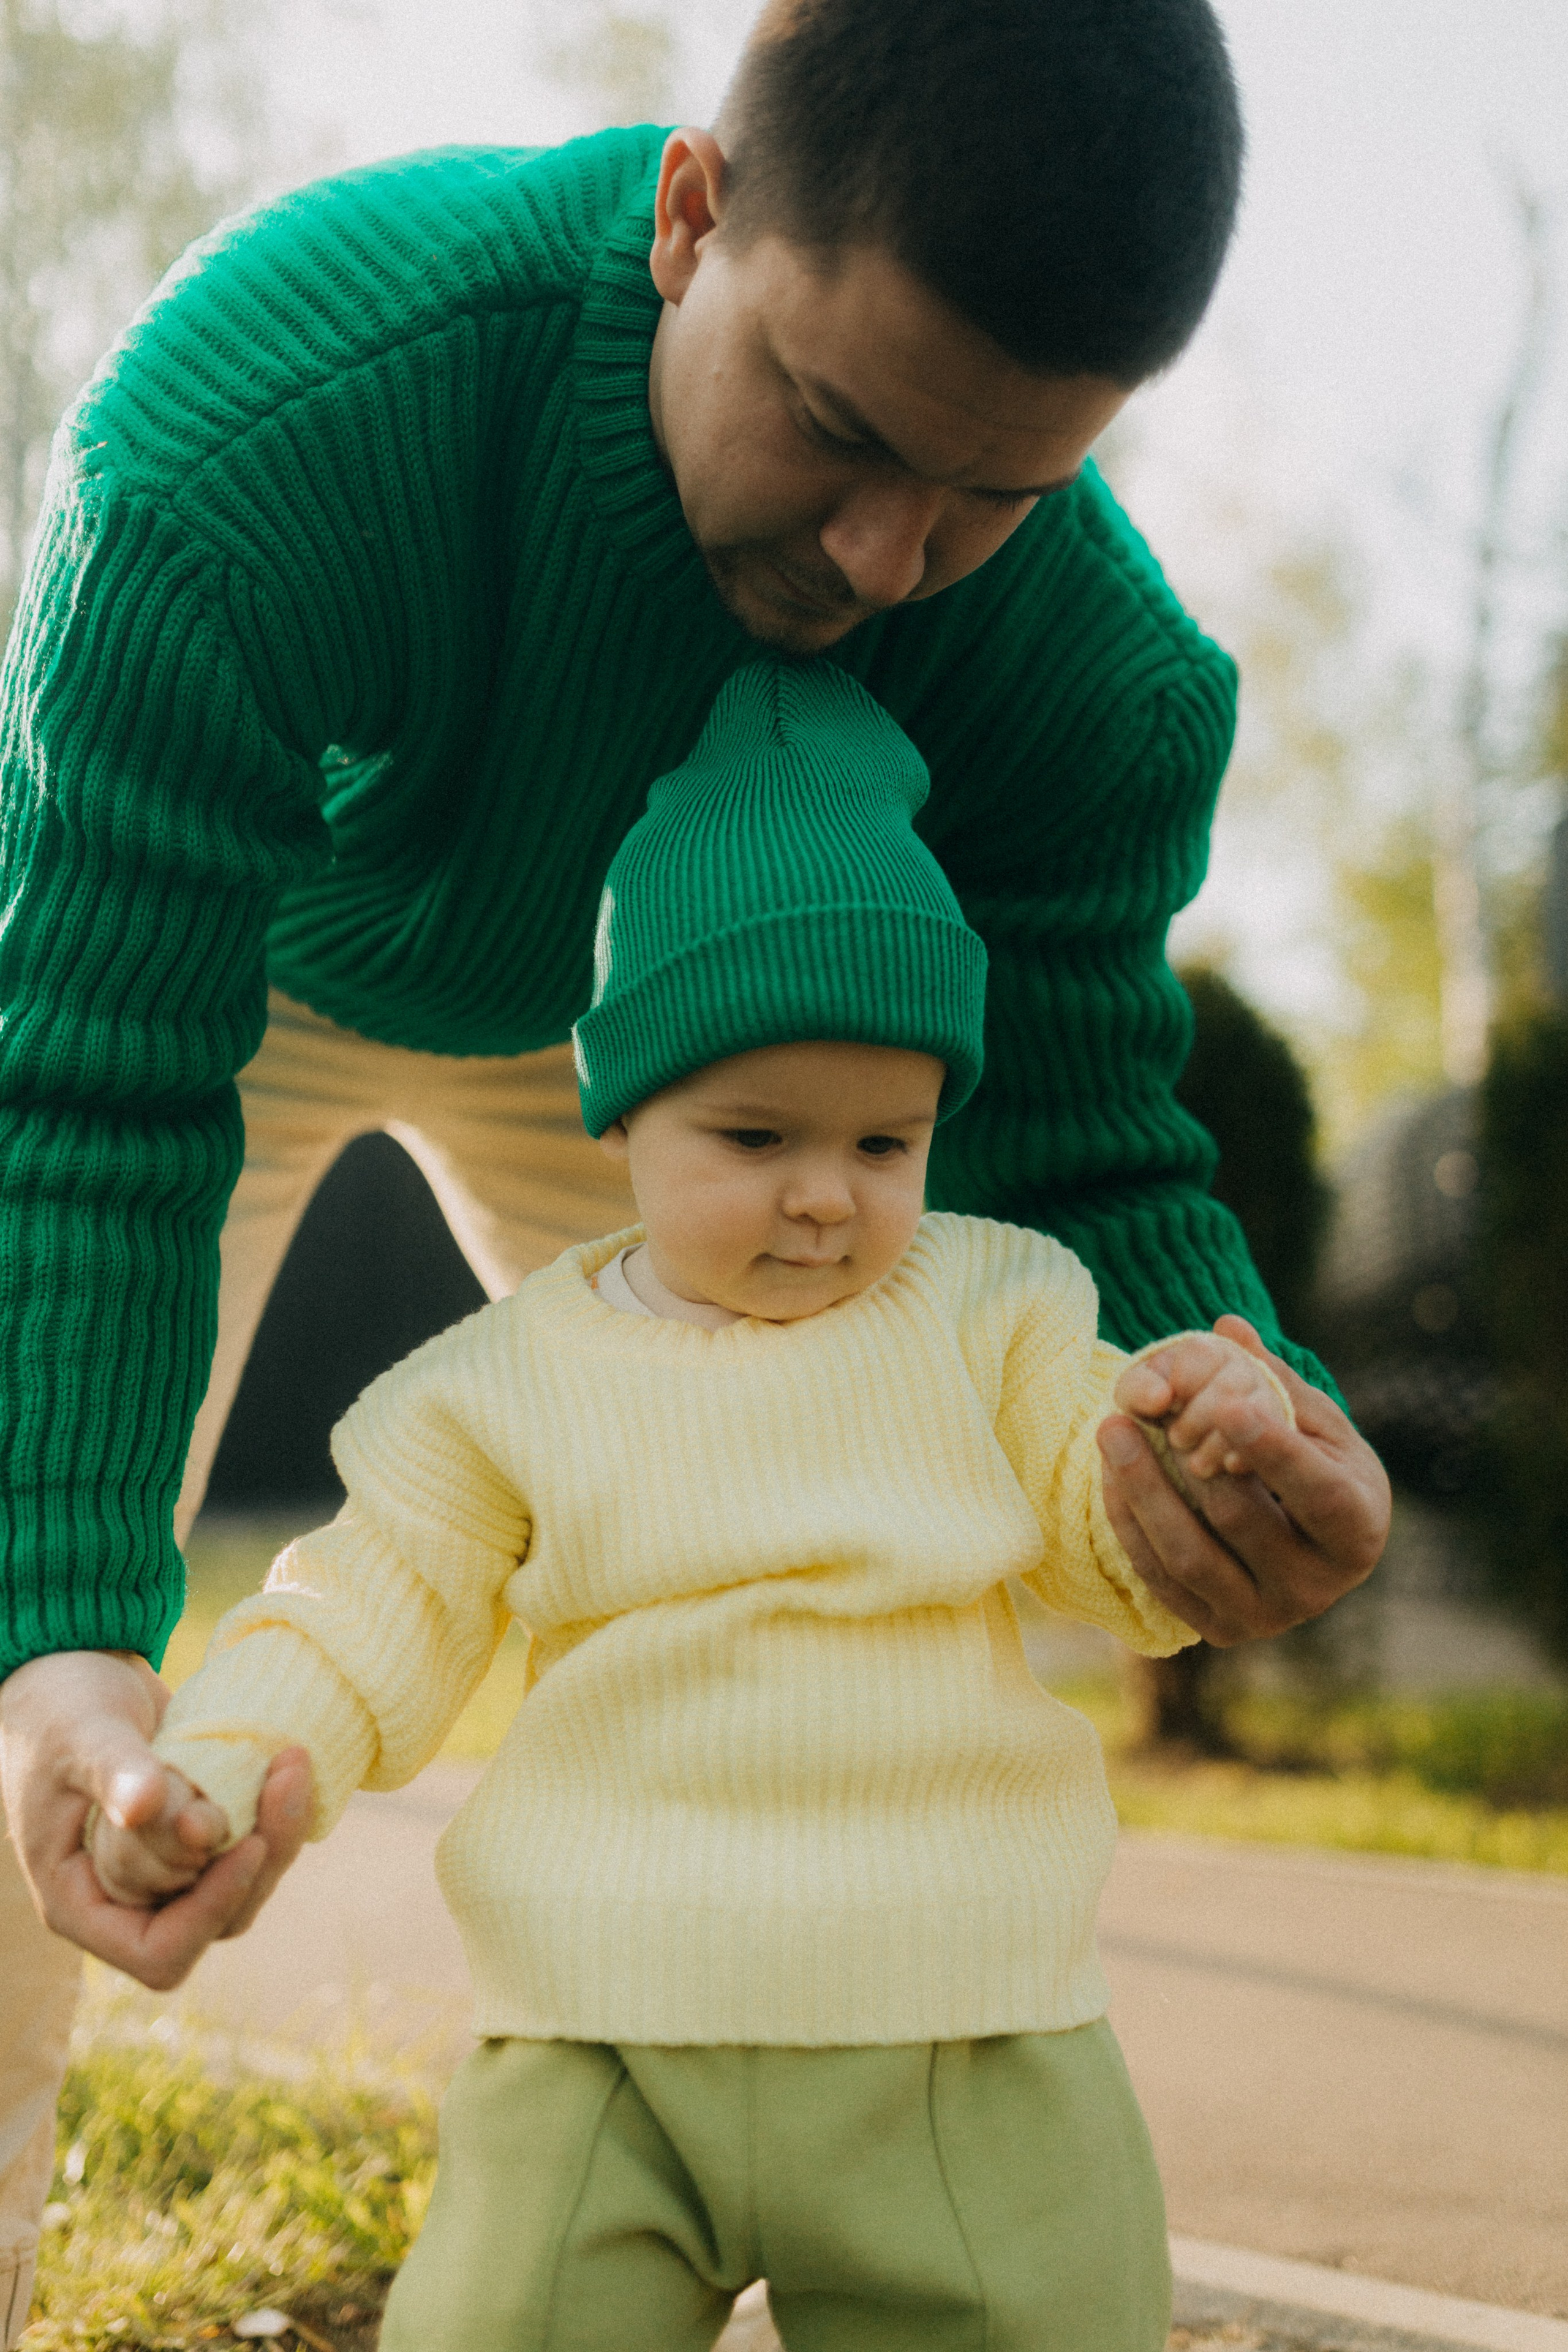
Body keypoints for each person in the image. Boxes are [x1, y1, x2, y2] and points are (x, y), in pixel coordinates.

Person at [0, 0, 1391, 2335]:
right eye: (838, 430)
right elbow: (84, 1079)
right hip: (251, 967)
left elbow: (1074, 1128)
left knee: (811, 1470)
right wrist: (56, 1637)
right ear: (693, 210)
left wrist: (1223, 1405)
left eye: (997, 493)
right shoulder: (260, 425)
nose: (888, 555)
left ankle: (809, 2169)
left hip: (685, 1054)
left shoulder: (1085, 670)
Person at [89, 663, 1304, 2352]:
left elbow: (1112, 1529)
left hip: (955, 2026)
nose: (825, 1194)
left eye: (890, 1143)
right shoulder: (502, 1379)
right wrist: (216, 1769)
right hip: (601, 2035)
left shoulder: (998, 1309)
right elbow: (368, 1608)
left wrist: (1193, 1452)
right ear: (620, 1118)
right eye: (755, 1133)